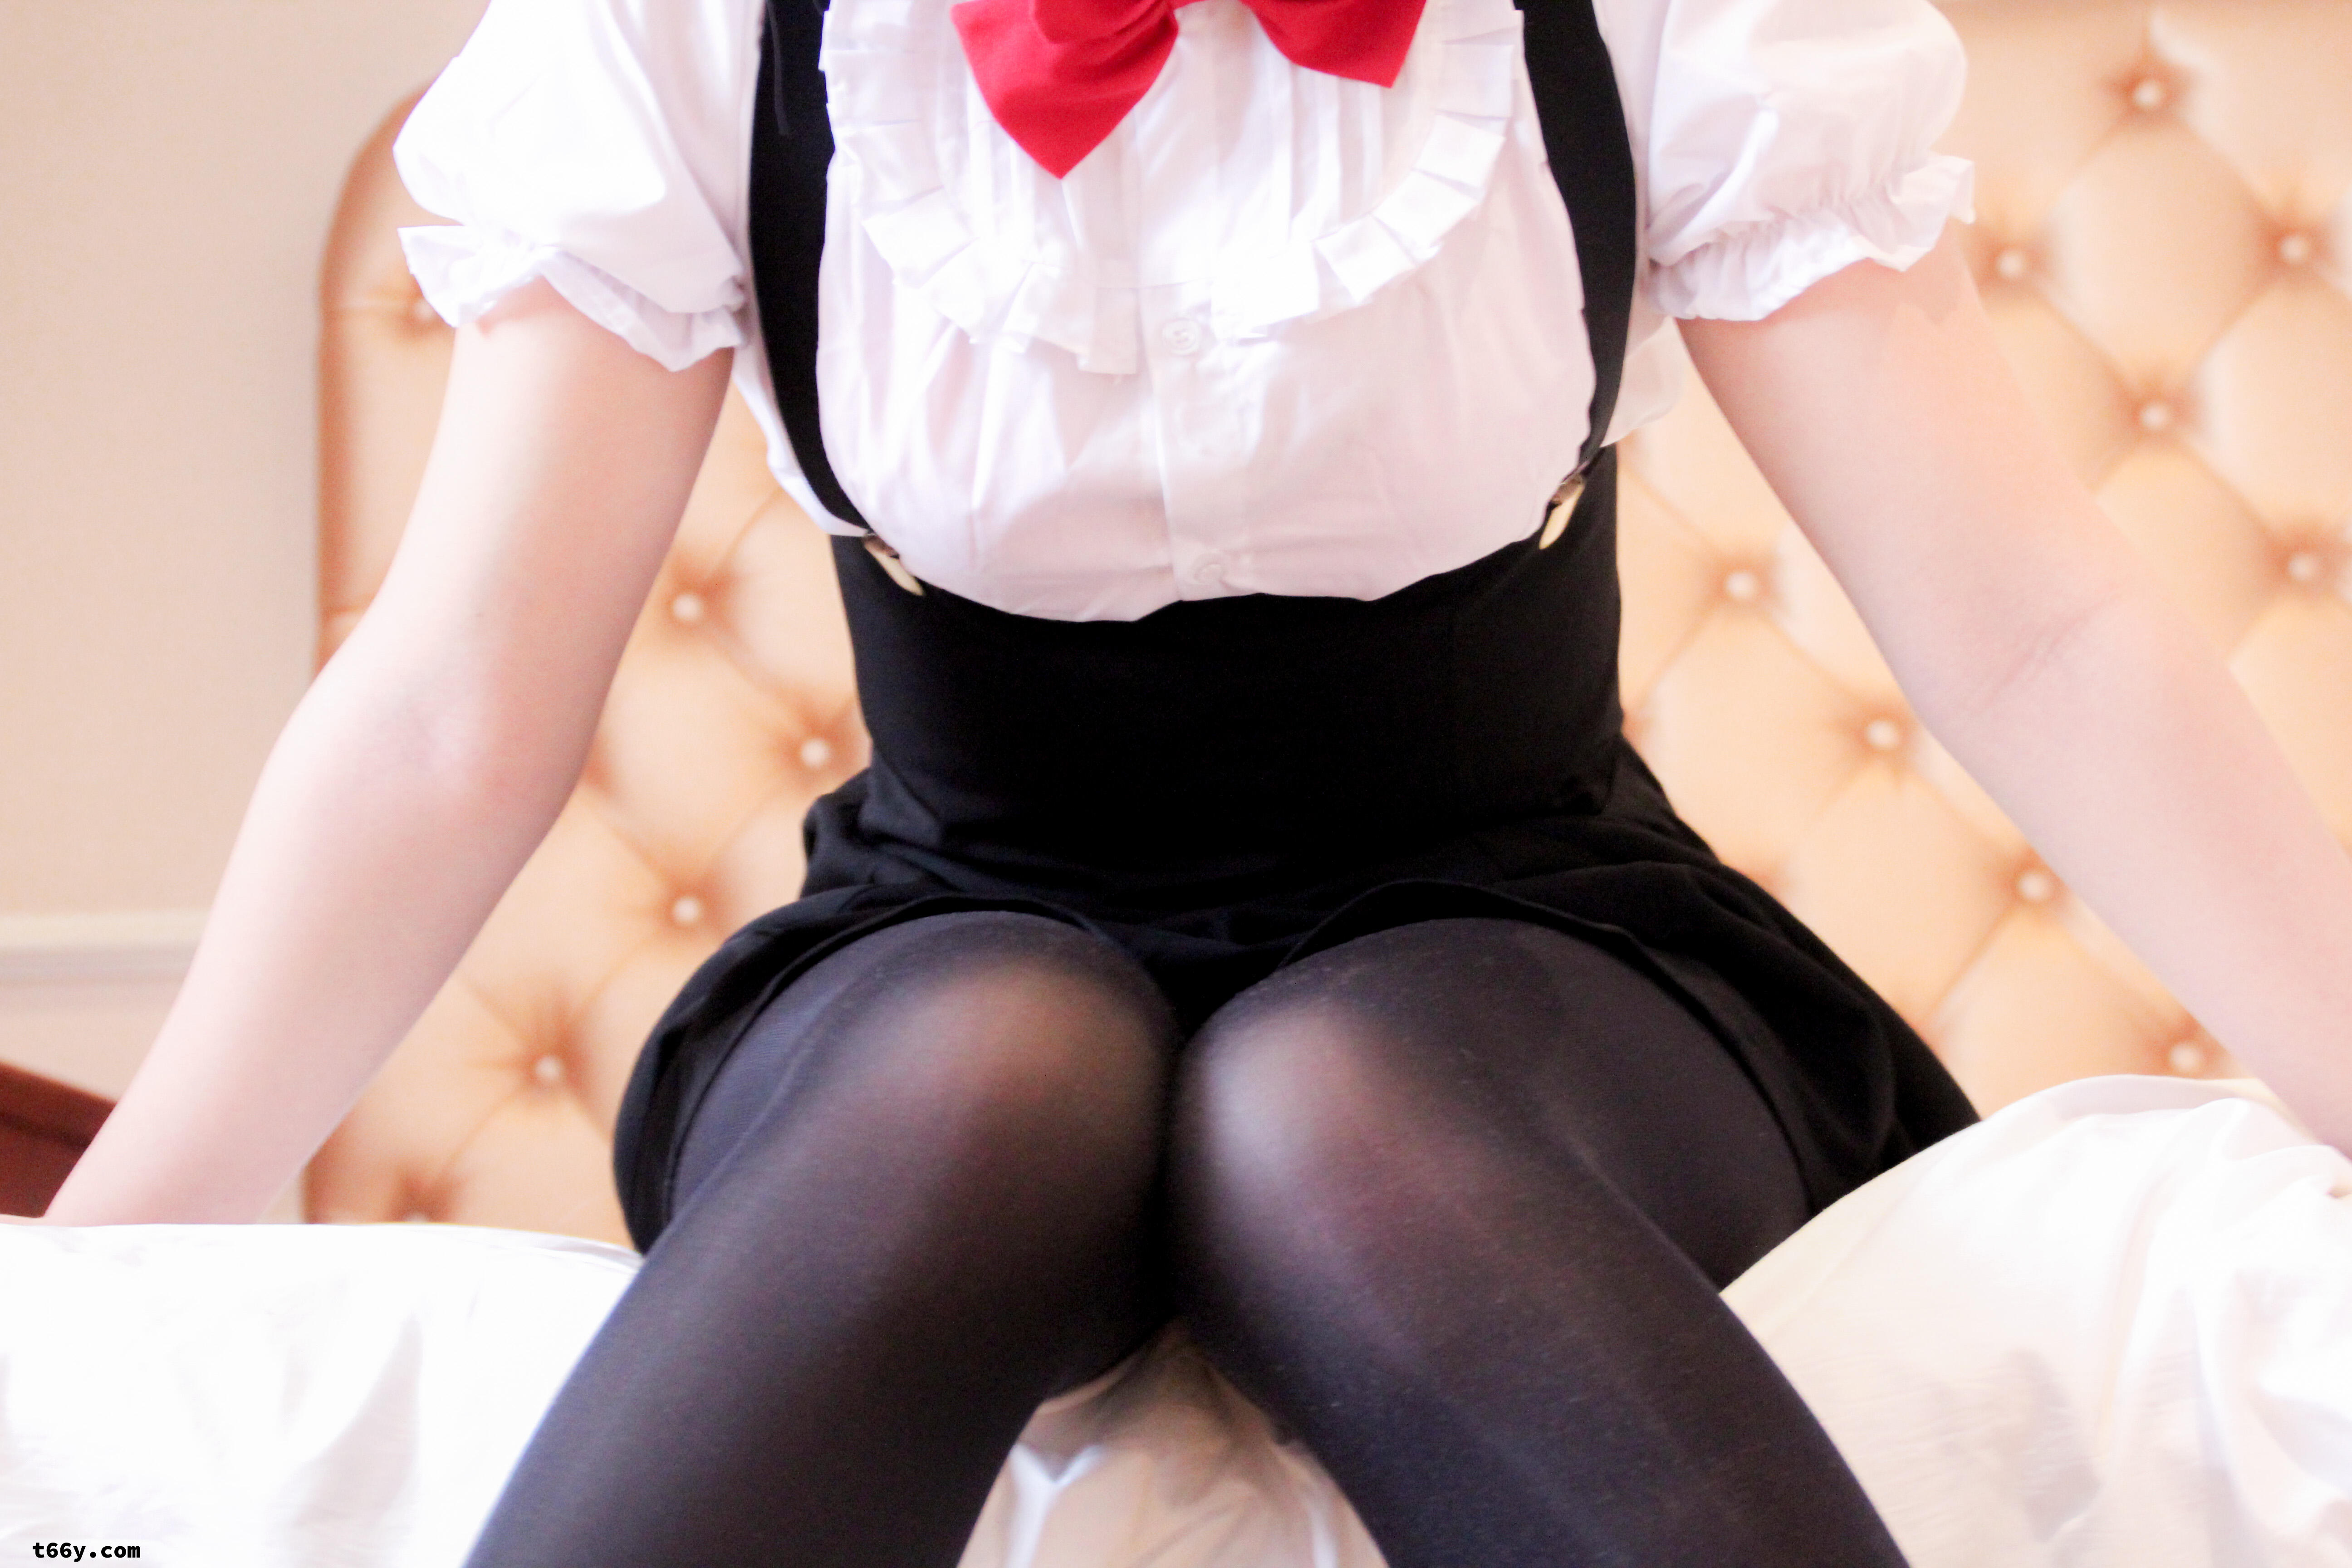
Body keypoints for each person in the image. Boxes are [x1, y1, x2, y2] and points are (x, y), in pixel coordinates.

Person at [32, 0, 2352, 1560]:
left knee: (1327, 1105)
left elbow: (2033, 624)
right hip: (955, 928)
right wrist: (112, 1272)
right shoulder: (709, 29)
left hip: (1530, 948)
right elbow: (455, 705)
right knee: (986, 1069)